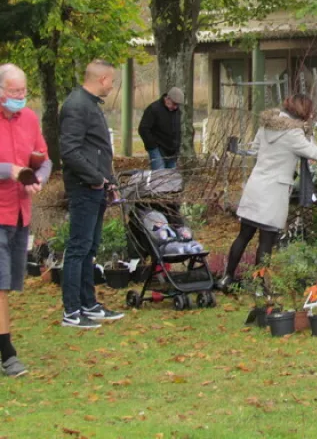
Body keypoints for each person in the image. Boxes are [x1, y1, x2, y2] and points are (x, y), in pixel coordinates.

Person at [219, 94, 317, 290]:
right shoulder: (294, 134)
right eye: (310, 112)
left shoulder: (266, 125)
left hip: (255, 186)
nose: (311, 115)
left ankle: (226, 277)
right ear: (302, 112)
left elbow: (254, 150)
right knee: (266, 241)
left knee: (244, 235)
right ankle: (261, 287)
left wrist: (237, 148)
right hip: (274, 191)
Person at [59, 60, 125, 329]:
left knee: (90, 248)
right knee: (78, 248)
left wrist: (108, 182)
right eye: (111, 80)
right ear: (102, 79)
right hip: (84, 188)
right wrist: (96, 179)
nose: (112, 85)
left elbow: (96, 150)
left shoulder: (90, 105)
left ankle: (89, 303)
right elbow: (70, 151)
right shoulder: (76, 106)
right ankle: (71, 311)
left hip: (97, 187)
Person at [0, 64, 52, 377]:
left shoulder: (30, 118)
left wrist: (38, 178)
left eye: (23, 91)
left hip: (20, 215)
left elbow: (42, 159)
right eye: (14, 92)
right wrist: (11, 171)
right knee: (1, 286)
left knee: (9, 284)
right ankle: (8, 354)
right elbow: (12, 167)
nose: (20, 97)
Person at [138, 87, 183, 170]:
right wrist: (152, 146)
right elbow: (143, 129)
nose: (175, 107)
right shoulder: (153, 109)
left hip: (172, 152)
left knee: (170, 179)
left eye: (177, 105)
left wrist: (177, 149)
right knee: (159, 177)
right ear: (168, 98)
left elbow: (178, 131)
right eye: (174, 104)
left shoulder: (177, 112)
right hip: (157, 150)